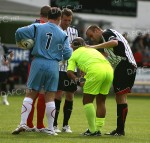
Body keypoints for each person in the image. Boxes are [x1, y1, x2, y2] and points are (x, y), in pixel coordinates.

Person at [12, 7, 72, 135]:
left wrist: (19, 43)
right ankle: (50, 129)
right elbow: (67, 54)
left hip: (37, 62)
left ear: (48, 16)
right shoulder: (63, 34)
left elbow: (19, 31)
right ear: (59, 18)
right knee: (50, 97)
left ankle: (23, 123)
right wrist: (58, 57)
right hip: (53, 65)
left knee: (30, 94)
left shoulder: (37, 27)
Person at [86, 25, 137, 136]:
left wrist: (93, 47)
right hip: (124, 65)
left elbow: (115, 43)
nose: (91, 39)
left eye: (91, 35)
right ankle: (119, 130)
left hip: (125, 64)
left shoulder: (106, 33)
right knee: (120, 97)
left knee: (120, 96)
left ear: (97, 30)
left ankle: (120, 130)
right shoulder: (104, 42)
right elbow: (107, 56)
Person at [67, 37, 114, 136]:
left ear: (71, 46)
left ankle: (92, 130)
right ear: (84, 44)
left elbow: (69, 72)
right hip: (109, 70)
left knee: (87, 101)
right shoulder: (92, 49)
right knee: (101, 101)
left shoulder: (73, 55)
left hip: (95, 72)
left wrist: (78, 81)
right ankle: (98, 129)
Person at [26, 5, 51, 132]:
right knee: (43, 93)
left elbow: (23, 42)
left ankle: (28, 124)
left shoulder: (32, 26)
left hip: (34, 62)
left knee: (31, 93)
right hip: (47, 63)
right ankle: (40, 125)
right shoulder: (51, 27)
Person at [53, 8, 79, 133]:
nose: (67, 22)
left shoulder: (74, 31)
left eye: (69, 20)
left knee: (70, 95)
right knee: (58, 93)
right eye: (65, 20)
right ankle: (54, 124)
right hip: (58, 67)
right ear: (60, 19)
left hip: (71, 68)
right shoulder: (54, 29)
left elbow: (78, 49)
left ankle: (66, 125)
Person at [0, 40, 13, 106]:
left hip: (2, 69)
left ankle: (4, 100)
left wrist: (8, 61)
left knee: (3, 84)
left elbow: (11, 53)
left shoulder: (2, 46)